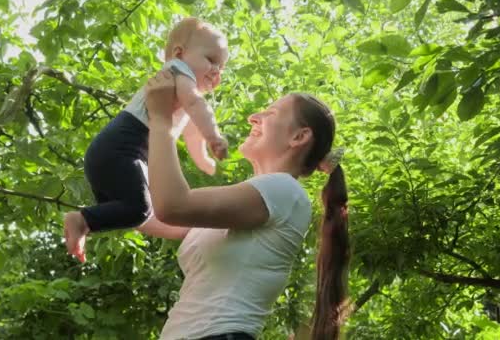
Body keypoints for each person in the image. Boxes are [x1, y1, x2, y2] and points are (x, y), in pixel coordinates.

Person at [143, 70, 351, 340]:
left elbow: (172, 205)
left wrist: (162, 120)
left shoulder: (284, 190)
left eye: (271, 113)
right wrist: (90, 214)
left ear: (298, 137)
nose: (254, 117)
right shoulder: (252, 201)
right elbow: (145, 213)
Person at [63, 17, 229, 263]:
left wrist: (203, 156)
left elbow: (192, 127)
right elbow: (196, 105)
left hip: (110, 153)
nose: (217, 70)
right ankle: (81, 220)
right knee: (139, 209)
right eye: (211, 60)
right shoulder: (178, 70)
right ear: (179, 54)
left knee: (132, 214)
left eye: (222, 67)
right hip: (123, 148)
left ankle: (87, 223)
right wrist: (215, 135)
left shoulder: (182, 86)